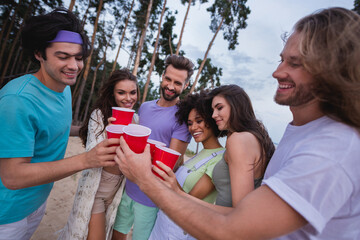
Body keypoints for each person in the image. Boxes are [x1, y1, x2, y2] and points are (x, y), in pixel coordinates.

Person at [114, 7, 360, 239]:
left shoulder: (332, 149)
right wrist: (175, 192)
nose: (277, 72)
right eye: (281, 59)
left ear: (330, 70)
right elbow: (237, 213)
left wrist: (145, 179)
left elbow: (235, 232)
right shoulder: (304, 131)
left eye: (294, 63)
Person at [0, 8, 120, 240]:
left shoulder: (63, 89)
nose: (74, 66)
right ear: (39, 54)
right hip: (7, 214)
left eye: (78, 57)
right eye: (63, 57)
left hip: (36, 202)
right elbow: (12, 177)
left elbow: (49, 132)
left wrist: (98, 130)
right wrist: (86, 159)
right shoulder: (17, 101)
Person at [112, 55, 194, 240]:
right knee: (116, 236)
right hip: (127, 189)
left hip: (151, 198)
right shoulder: (145, 107)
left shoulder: (182, 118)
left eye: (178, 83)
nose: (171, 86)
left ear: (186, 85)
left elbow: (169, 166)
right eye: (168, 79)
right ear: (162, 76)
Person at [58, 69, 139, 240]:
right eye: (121, 93)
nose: (128, 98)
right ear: (113, 93)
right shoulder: (100, 116)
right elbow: (93, 155)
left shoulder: (136, 120)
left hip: (118, 193)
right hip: (96, 191)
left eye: (133, 92)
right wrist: (112, 132)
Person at [149, 91, 226, 240]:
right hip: (162, 226)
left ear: (211, 119)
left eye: (199, 121)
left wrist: (167, 177)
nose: (193, 127)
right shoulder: (199, 155)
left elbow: (189, 200)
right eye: (190, 123)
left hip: (182, 231)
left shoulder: (220, 158)